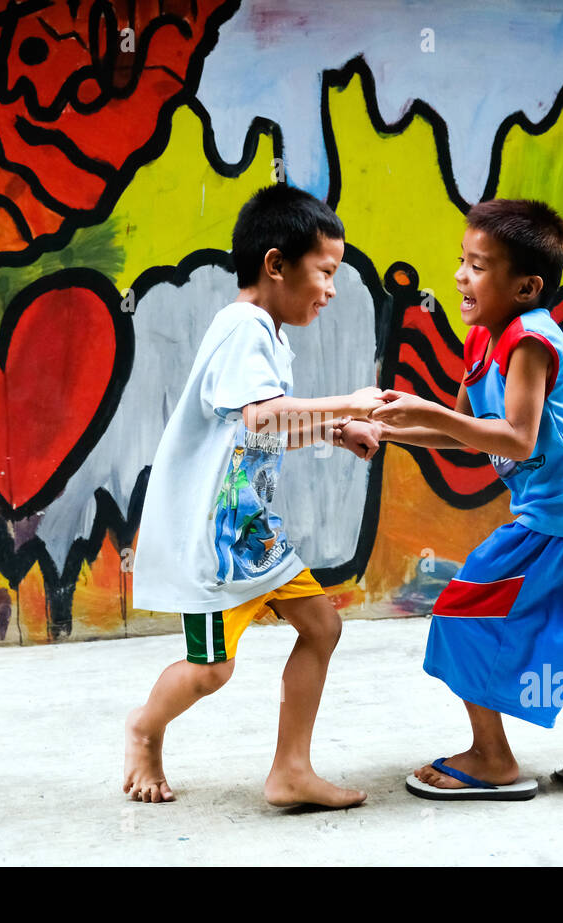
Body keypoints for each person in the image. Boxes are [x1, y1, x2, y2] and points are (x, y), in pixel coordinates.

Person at [336, 198, 563, 800]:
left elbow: (517, 436)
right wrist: (385, 428)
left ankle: (491, 758)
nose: (460, 274)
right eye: (462, 260)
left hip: (557, 521)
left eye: (479, 265)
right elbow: (459, 430)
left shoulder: (530, 340)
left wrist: (423, 411)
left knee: (463, 612)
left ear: (526, 285)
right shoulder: (484, 338)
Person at [125, 184, 383, 807]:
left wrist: (333, 430)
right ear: (275, 264)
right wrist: (348, 402)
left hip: (254, 536)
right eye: (325, 272)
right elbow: (262, 418)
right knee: (211, 671)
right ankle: (143, 730)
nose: (330, 289)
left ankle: (290, 771)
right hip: (217, 545)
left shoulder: (265, 332)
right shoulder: (243, 327)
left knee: (321, 627)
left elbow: (255, 426)